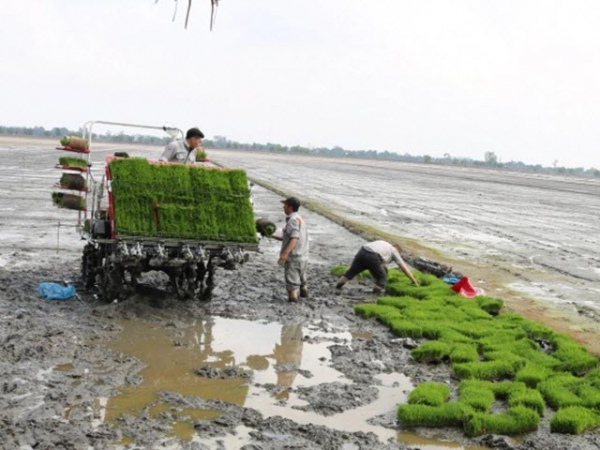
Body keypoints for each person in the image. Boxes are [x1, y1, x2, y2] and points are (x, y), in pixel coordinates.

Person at [335, 240, 419, 294]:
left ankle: (337, 288)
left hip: (362, 250)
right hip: (373, 255)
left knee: (350, 273)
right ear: (398, 250)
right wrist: (413, 280)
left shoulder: (383, 243)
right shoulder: (394, 251)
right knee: (382, 279)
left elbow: (379, 267)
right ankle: (374, 296)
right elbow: (404, 268)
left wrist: (381, 273)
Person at [270, 197, 309, 302]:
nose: (283, 207)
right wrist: (271, 235)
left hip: (294, 256)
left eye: (285, 205)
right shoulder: (300, 219)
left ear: (290, 207)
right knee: (302, 281)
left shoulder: (292, 220)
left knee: (291, 285)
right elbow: (288, 237)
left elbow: (294, 237)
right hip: (303, 256)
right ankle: (304, 298)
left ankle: (293, 306)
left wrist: (285, 253)